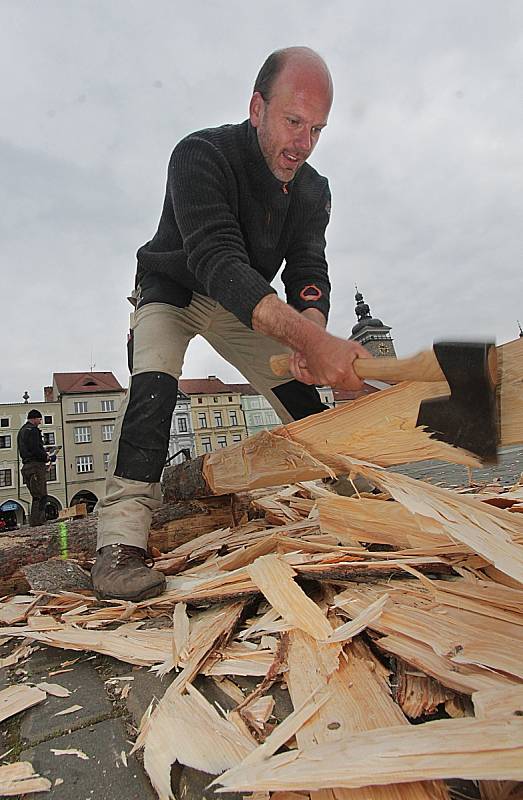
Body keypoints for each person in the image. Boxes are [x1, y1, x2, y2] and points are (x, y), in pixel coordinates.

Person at [93, 46, 369, 602]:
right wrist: (311, 337)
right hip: (175, 287)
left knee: (303, 401)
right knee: (153, 390)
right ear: (256, 107)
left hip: (249, 302)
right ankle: (119, 544)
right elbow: (218, 260)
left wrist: (311, 334)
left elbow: (309, 268)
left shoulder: (313, 189)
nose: (303, 144)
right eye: (293, 122)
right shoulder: (200, 155)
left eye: (317, 129)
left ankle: (360, 500)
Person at [17, 409, 50, 527]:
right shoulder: (33, 430)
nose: (40, 422)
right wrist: (45, 457)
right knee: (41, 495)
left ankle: (36, 521)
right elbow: (35, 449)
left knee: (36, 495)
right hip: (35, 466)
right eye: (40, 419)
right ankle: (38, 522)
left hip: (27, 467)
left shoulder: (22, 431)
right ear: (34, 418)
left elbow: (28, 448)